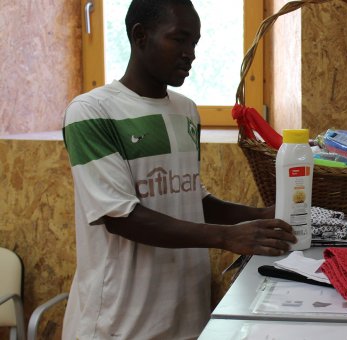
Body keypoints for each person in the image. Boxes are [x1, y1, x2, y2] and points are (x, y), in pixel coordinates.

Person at [61, 0, 296, 338]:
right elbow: (120, 216)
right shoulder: (91, 112)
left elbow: (190, 199)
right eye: (179, 39)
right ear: (140, 36)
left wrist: (260, 214)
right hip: (120, 324)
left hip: (186, 316)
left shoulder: (186, 112)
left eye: (195, 42)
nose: (191, 54)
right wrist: (228, 236)